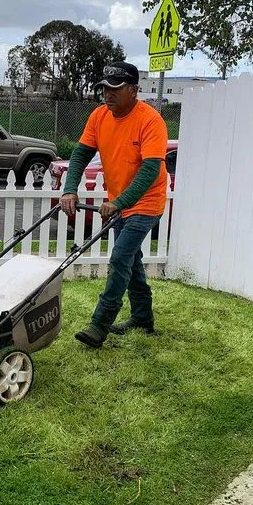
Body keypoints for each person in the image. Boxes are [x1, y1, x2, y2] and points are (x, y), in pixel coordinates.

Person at [59, 61, 169, 348]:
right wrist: (70, 190)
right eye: (105, 88)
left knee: (120, 257)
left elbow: (150, 170)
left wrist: (120, 202)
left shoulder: (150, 120)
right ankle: (143, 317)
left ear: (133, 90)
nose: (108, 94)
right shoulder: (99, 116)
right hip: (120, 202)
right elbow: (80, 155)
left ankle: (99, 324)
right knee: (130, 260)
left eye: (115, 89)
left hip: (147, 201)